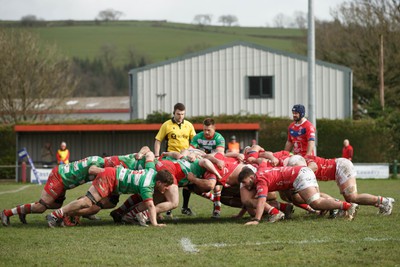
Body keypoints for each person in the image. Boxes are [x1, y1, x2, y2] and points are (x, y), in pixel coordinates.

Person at [46, 159, 174, 228]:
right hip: (110, 178)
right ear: (159, 182)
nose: (167, 189)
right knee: (87, 202)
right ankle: (56, 214)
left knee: (102, 205)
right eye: (166, 186)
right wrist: (155, 224)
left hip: (113, 178)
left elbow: (150, 157)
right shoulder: (147, 185)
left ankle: (63, 214)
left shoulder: (151, 171)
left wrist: (149, 154)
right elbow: (150, 206)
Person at [238, 164, 359, 225]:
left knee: (315, 203)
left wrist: (256, 220)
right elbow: (263, 162)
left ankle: (348, 206)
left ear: (251, 176)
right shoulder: (261, 170)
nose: (246, 186)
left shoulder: (260, 180)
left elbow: (261, 201)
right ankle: (339, 206)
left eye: (245, 182)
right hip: (301, 172)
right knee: (299, 199)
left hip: (299, 176)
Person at [1, 156, 105, 226]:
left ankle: (23, 209)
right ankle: (6, 213)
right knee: (40, 207)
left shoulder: (98, 161)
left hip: (64, 180)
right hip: (59, 177)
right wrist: (106, 171)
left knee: (56, 206)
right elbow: (91, 170)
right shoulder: (99, 166)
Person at [288, 154, 395, 216]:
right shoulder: (302, 163)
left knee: (352, 197)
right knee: (350, 198)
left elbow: (314, 166)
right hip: (338, 171)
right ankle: (339, 207)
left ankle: (385, 201)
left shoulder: (306, 159)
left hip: (341, 166)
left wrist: (303, 171)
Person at [154, 103, 196, 216]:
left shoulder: (189, 125)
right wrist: (157, 156)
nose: (180, 116)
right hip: (170, 158)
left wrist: (193, 153)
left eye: (183, 114)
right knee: (170, 181)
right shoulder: (166, 125)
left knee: (189, 180)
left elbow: (194, 142)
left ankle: (185, 207)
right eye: (178, 114)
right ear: (174, 113)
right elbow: (158, 140)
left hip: (185, 158)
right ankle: (168, 208)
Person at [190, 118, 225, 217]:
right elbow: (190, 150)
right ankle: (214, 198)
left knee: (215, 183)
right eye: (204, 129)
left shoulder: (219, 138)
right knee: (193, 187)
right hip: (200, 163)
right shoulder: (198, 137)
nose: (206, 132)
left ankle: (217, 208)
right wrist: (192, 154)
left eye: (208, 130)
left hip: (214, 164)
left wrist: (201, 155)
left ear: (214, 128)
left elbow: (220, 153)